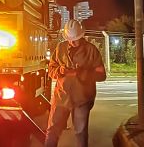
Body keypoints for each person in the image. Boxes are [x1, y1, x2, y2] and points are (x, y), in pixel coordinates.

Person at [44, 19, 106, 147]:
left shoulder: (91, 50)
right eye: (70, 39)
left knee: (80, 132)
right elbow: (50, 70)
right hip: (61, 97)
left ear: (82, 35)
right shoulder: (60, 48)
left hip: (82, 99)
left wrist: (82, 73)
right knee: (52, 131)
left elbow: (101, 75)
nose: (72, 42)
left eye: (76, 39)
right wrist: (59, 70)